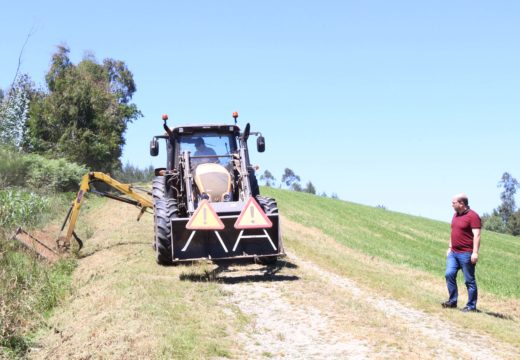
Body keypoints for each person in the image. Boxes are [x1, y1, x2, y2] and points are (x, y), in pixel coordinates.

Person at [442, 193, 481, 312]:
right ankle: (452, 301)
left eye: (453, 202)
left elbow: (477, 235)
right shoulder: (455, 215)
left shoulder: (473, 216)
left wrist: (475, 253)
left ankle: (471, 306)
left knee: (469, 281)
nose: (451, 205)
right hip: (453, 252)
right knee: (449, 274)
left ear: (461, 203)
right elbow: (453, 231)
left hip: (466, 253)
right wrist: (450, 246)